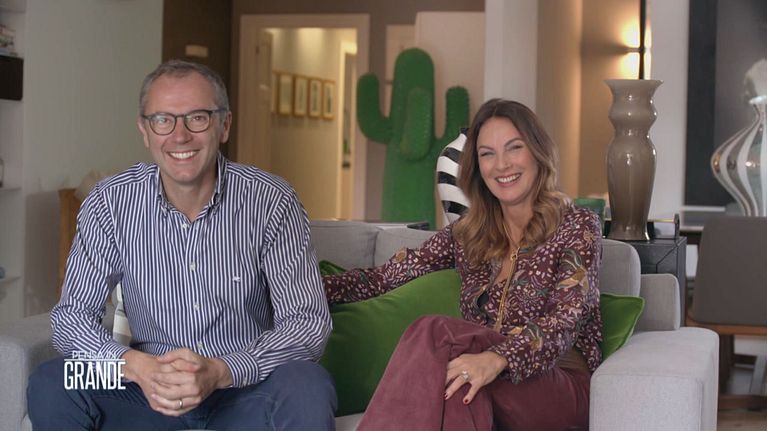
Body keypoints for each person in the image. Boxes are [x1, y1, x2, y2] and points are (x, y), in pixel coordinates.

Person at [27, 60, 336, 430]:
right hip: (143, 388)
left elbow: (307, 323)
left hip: (241, 388)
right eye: (163, 120)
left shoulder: (271, 200)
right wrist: (135, 367)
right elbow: (71, 318)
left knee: (308, 383)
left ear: (224, 125)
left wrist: (222, 370)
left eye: (197, 118)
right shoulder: (110, 202)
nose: (180, 135)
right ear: (145, 130)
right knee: (54, 379)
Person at [324, 99, 602, 430]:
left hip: (558, 384)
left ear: (537, 152)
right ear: (477, 167)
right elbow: (384, 278)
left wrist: (498, 358)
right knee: (458, 382)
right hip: (485, 378)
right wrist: (297, 287)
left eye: (514, 148)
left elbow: (566, 319)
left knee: (438, 334)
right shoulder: (468, 234)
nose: (502, 164)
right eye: (487, 154)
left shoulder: (577, 225)